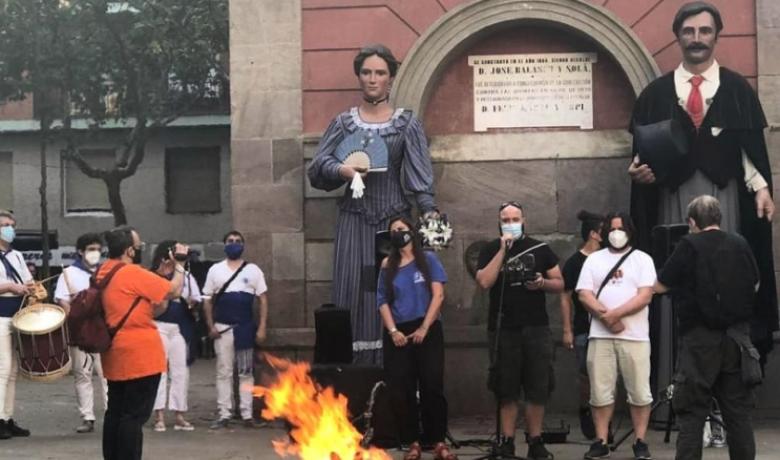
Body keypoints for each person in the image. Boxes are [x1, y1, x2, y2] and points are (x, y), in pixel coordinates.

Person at [628, 1, 777, 361]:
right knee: (677, 273)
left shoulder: (738, 90)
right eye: (689, 31)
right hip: (671, 201)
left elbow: (750, 151)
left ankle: (731, 369)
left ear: (716, 36)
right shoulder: (655, 95)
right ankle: (675, 369)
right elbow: (640, 156)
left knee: (724, 274)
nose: (697, 39)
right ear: (678, 36)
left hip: (724, 200)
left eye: (705, 31)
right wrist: (638, 175)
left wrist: (762, 189)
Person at [307, 44, 438, 365]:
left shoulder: (406, 124)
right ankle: (354, 375)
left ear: (391, 78)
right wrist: (342, 169)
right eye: (366, 72)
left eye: (380, 72)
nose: (372, 79)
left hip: (394, 225)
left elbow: (421, 179)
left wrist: (431, 217)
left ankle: (397, 371)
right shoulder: (343, 124)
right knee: (355, 290)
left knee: (396, 291)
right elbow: (316, 169)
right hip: (353, 220)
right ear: (359, 77)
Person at [655, 195, 760, 460]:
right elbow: (755, 283)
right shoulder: (739, 243)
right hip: (737, 340)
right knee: (738, 416)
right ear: (718, 218)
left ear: (692, 221)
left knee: (691, 413)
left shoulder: (688, 245)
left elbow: (662, 284)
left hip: (699, 342)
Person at [475, 201, 563, 459]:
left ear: (524, 220)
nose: (511, 223)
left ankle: (535, 440)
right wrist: (502, 251)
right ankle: (507, 440)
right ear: (499, 222)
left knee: (538, 385)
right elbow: (484, 281)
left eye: (515, 219)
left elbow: (559, 283)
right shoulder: (491, 249)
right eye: (506, 219)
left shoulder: (540, 248)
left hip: (536, 327)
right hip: (504, 329)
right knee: (506, 388)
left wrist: (542, 283)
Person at [99, 226, 189, 460]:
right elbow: (174, 291)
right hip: (140, 356)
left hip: (115, 352)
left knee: (116, 413)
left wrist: (159, 274)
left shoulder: (104, 271)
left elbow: (152, 307)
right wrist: (179, 266)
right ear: (129, 250)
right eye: (139, 247)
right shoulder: (131, 273)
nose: (141, 250)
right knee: (133, 417)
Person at [576, 212, 656, 460]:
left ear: (630, 230)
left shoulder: (642, 260)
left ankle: (640, 440)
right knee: (600, 393)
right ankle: (601, 440)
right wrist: (606, 319)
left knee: (640, 393)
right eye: (611, 228)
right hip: (600, 337)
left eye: (620, 228)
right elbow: (583, 294)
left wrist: (616, 315)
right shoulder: (593, 260)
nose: (615, 233)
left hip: (635, 337)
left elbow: (645, 295)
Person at [376, 216, 454, 460]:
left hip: (427, 329)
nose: (397, 233)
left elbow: (438, 295)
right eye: (393, 231)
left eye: (401, 229)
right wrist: (393, 331)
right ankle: (412, 442)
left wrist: (424, 327)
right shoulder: (387, 265)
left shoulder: (427, 260)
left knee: (432, 385)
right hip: (398, 332)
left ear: (411, 231)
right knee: (401, 388)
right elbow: (382, 301)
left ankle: (438, 440)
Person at [203, 230, 268, 429]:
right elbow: (207, 300)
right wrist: (210, 325)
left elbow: (263, 299)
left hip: (245, 329)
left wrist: (262, 327)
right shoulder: (215, 270)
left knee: (246, 372)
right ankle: (224, 414)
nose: (234, 243)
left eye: (238, 241)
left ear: (243, 245)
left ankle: (247, 415)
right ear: (224, 245)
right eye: (230, 241)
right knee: (223, 372)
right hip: (222, 329)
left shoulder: (253, 270)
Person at [54, 232, 108, 434]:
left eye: (97, 249)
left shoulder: (105, 273)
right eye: (90, 249)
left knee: (107, 375)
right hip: (81, 332)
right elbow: (62, 301)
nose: (95, 253)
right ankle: (87, 417)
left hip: (102, 330)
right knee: (82, 374)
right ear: (80, 252)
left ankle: (112, 413)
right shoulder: (68, 273)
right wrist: (77, 321)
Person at [560, 210, 604, 441]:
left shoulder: (609, 258)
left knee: (606, 376)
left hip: (607, 326)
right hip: (583, 327)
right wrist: (567, 329)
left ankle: (602, 425)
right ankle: (586, 411)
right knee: (586, 375)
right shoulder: (575, 263)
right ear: (594, 234)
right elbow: (565, 296)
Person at [150, 241, 202, 432]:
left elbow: (197, 298)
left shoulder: (186, 277)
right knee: (160, 371)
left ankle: (179, 413)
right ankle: (159, 415)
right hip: (159, 326)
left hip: (179, 328)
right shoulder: (154, 276)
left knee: (181, 371)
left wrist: (192, 303)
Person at [0, 210, 32, 440]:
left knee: (12, 372)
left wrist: (31, 287)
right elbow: (9, 285)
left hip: (17, 314)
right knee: (2, 369)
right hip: (0, 314)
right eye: (4, 225)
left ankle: (7, 417)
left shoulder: (17, 256)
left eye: (11, 224)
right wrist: (10, 287)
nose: (9, 228)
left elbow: (25, 281)